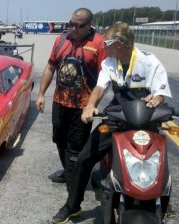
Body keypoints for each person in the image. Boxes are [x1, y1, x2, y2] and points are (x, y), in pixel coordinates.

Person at [51, 22, 172, 224]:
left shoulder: (149, 61)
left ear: (121, 43)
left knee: (158, 161)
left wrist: (158, 98)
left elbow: (160, 91)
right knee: (83, 158)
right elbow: (99, 88)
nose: (103, 45)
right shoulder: (109, 63)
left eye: (107, 42)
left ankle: (164, 201)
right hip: (118, 119)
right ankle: (72, 205)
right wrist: (90, 105)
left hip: (145, 121)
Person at [36, 8, 106, 185]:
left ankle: (74, 183)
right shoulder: (61, 40)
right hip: (60, 102)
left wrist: (92, 105)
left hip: (82, 106)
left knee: (75, 146)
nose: (73, 29)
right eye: (71, 24)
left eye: (78, 26)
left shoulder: (98, 44)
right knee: (60, 141)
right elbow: (50, 67)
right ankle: (69, 172)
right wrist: (41, 94)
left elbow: (104, 79)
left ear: (89, 25)